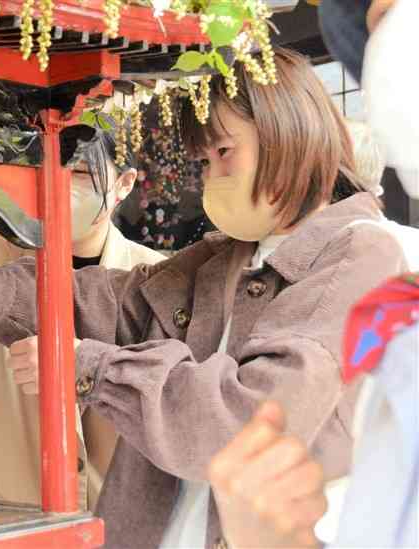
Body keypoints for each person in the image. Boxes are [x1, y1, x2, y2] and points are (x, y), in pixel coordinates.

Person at [0, 48, 408, 548]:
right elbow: (114, 299)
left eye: (224, 153)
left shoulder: (361, 254)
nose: (211, 176)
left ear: (289, 135)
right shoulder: (226, 255)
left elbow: (253, 419)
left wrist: (92, 369)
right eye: (204, 160)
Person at [208, 1, 419, 547]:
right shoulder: (399, 330)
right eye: (375, 25)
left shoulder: (372, 257)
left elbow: (251, 412)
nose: (393, 38)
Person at [0, 123, 166, 510]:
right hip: (4, 506)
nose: (61, 187)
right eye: (50, 171)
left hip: (113, 512)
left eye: (82, 175)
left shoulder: (156, 277)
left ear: (124, 183)